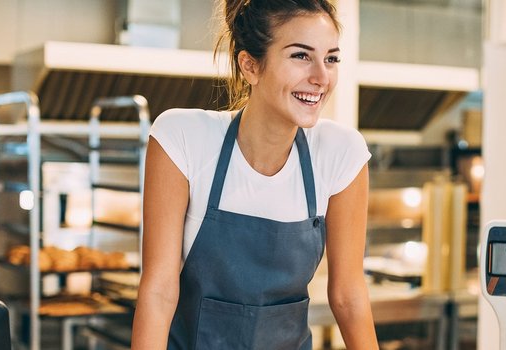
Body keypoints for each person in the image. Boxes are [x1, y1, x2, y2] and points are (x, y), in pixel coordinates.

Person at [131, 1, 379, 349]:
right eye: (300, 56)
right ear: (249, 65)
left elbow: (348, 296)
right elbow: (159, 291)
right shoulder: (183, 139)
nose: (321, 77)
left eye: (331, 58)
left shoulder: (341, 153)